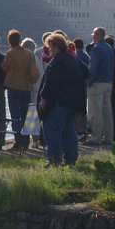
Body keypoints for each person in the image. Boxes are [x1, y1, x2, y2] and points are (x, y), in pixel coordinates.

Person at [36, 33, 86, 166]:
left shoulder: (57, 61)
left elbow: (51, 83)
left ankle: (54, 159)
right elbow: (86, 73)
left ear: (55, 46)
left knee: (52, 130)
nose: (49, 50)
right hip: (72, 102)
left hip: (59, 102)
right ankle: (71, 159)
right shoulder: (73, 59)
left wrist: (44, 99)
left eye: (50, 47)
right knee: (69, 132)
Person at [0, 30, 39, 151]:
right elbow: (34, 71)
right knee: (25, 115)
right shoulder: (29, 54)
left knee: (15, 116)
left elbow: (4, 67)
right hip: (26, 88)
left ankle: (18, 142)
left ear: (10, 41)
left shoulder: (10, 53)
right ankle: (26, 141)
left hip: (13, 87)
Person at [86, 27, 115, 145]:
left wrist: (89, 82)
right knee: (107, 112)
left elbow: (93, 68)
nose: (92, 36)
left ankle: (96, 137)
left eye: (94, 34)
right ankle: (109, 137)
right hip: (108, 82)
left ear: (98, 35)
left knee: (95, 112)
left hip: (97, 83)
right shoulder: (109, 48)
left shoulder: (96, 49)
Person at [72, 37, 91, 139]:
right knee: (83, 109)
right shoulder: (86, 56)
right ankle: (83, 130)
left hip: (75, 87)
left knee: (75, 110)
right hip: (84, 86)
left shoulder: (74, 56)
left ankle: (77, 131)